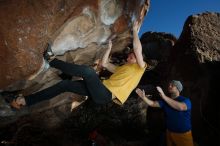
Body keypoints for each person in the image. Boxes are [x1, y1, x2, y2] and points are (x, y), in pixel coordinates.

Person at [9, 21, 148, 109]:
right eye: (131, 54)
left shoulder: (140, 68)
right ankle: (24, 101)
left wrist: (135, 30)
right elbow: (105, 64)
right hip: (98, 91)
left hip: (105, 95)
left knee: (88, 72)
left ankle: (51, 60)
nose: (132, 55)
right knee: (64, 85)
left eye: (135, 56)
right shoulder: (123, 68)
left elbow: (137, 49)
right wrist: (109, 48)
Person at [136, 80, 194, 146]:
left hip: (183, 134)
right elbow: (152, 103)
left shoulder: (186, 100)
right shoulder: (165, 101)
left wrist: (163, 96)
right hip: (169, 132)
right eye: (169, 85)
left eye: (172, 85)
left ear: (178, 88)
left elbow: (181, 107)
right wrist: (143, 97)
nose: (169, 86)